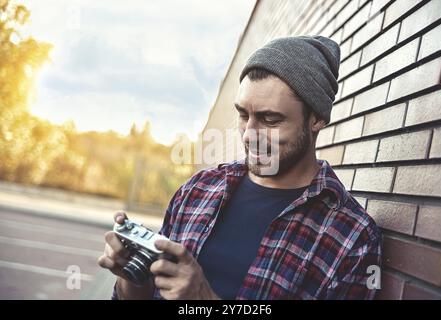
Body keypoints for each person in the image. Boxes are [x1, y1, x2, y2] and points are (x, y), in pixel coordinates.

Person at [98, 35, 382, 300]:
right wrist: (131, 279)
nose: (249, 135)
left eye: (270, 119)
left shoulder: (352, 235)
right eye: (244, 115)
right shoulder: (198, 190)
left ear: (317, 119)